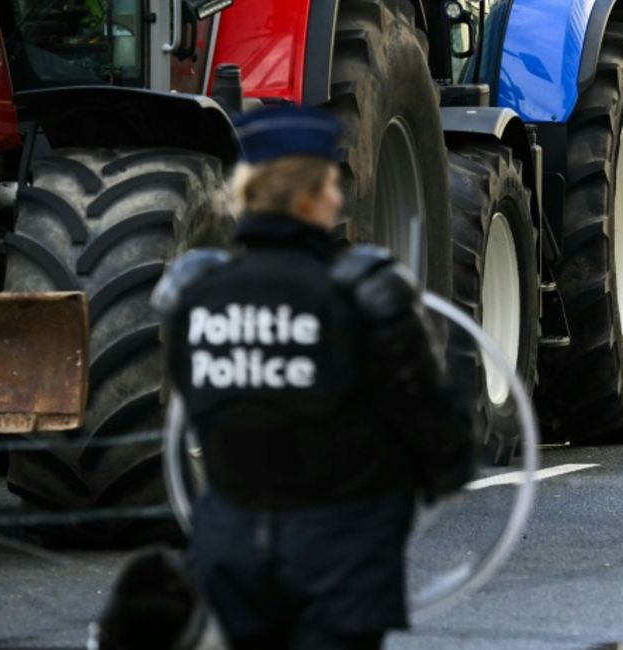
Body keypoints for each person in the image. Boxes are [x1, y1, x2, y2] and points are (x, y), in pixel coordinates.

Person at [151, 106, 476, 650]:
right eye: (329, 185)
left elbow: (200, 410)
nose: (338, 200)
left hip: (229, 555)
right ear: (304, 199)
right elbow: (429, 425)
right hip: (341, 562)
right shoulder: (362, 294)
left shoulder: (197, 295)